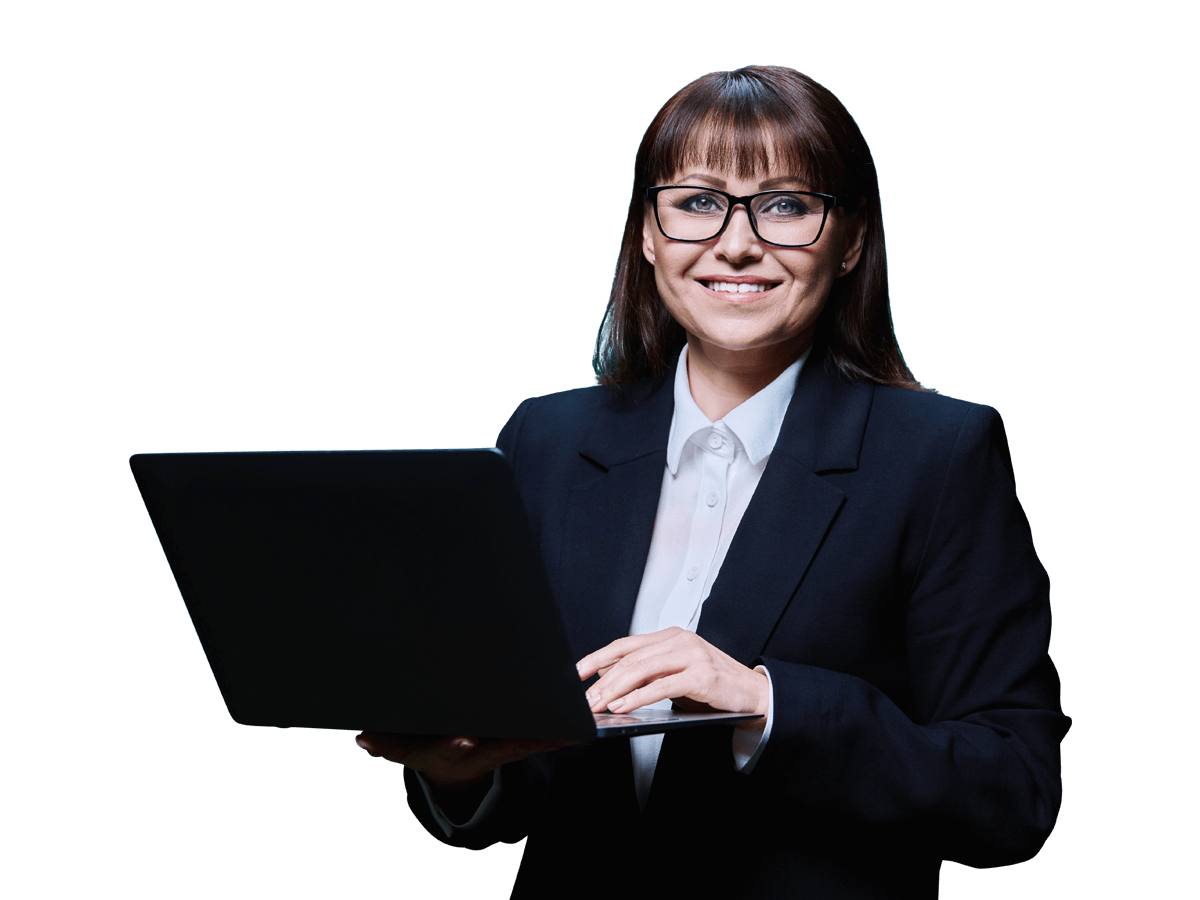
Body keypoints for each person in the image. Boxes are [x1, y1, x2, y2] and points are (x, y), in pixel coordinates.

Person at [355, 66, 1068, 898]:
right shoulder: (546, 439)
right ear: (647, 235)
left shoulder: (941, 454)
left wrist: (765, 704)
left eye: (787, 204)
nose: (736, 242)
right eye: (697, 201)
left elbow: (1012, 791)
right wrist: (458, 771)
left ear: (851, 241)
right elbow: (529, 778)